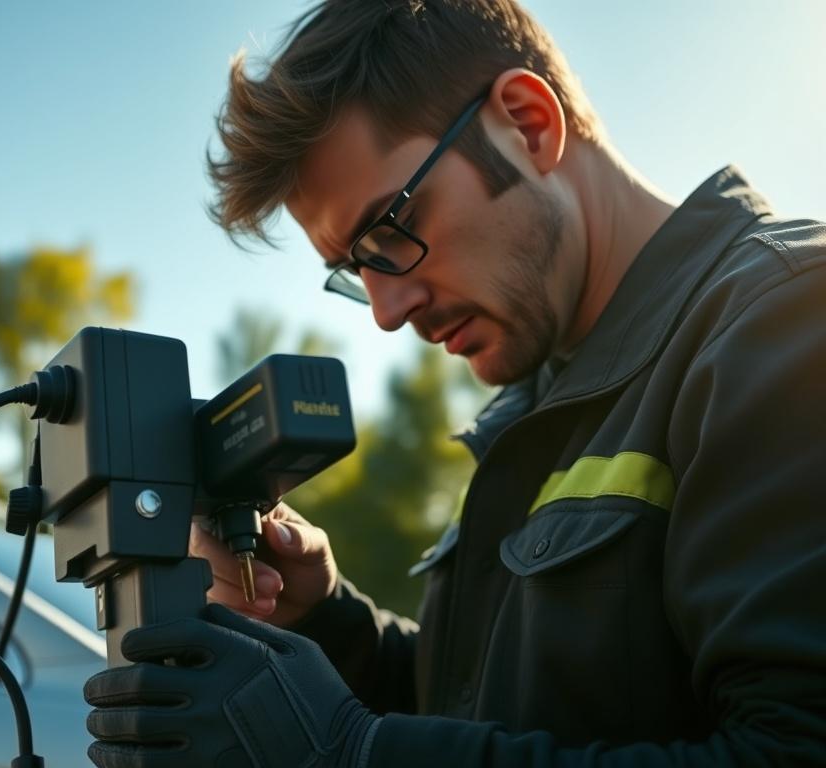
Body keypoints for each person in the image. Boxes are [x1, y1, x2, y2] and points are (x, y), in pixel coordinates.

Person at [83, 1, 826, 765]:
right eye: (353, 271)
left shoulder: (787, 320)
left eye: (388, 233)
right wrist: (334, 627)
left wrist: (347, 756)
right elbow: (502, 711)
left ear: (529, 124)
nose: (384, 311)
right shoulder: (541, 397)